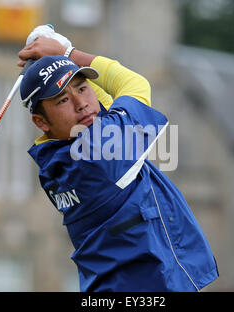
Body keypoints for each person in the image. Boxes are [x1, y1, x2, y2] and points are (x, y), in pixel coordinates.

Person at [18, 36, 219, 292]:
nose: (81, 104)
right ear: (41, 122)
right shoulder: (99, 153)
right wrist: (69, 51)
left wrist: (61, 59)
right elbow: (134, 85)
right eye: (62, 100)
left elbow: (101, 110)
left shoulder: (53, 161)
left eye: (82, 88)